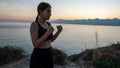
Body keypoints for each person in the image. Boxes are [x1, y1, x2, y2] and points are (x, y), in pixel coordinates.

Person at [30, 2, 62, 68]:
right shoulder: (34, 24)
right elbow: (35, 44)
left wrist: (58, 31)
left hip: (49, 52)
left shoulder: (48, 24)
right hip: (38, 54)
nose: (50, 14)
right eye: (48, 11)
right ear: (40, 12)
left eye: (50, 12)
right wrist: (47, 33)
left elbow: (50, 40)